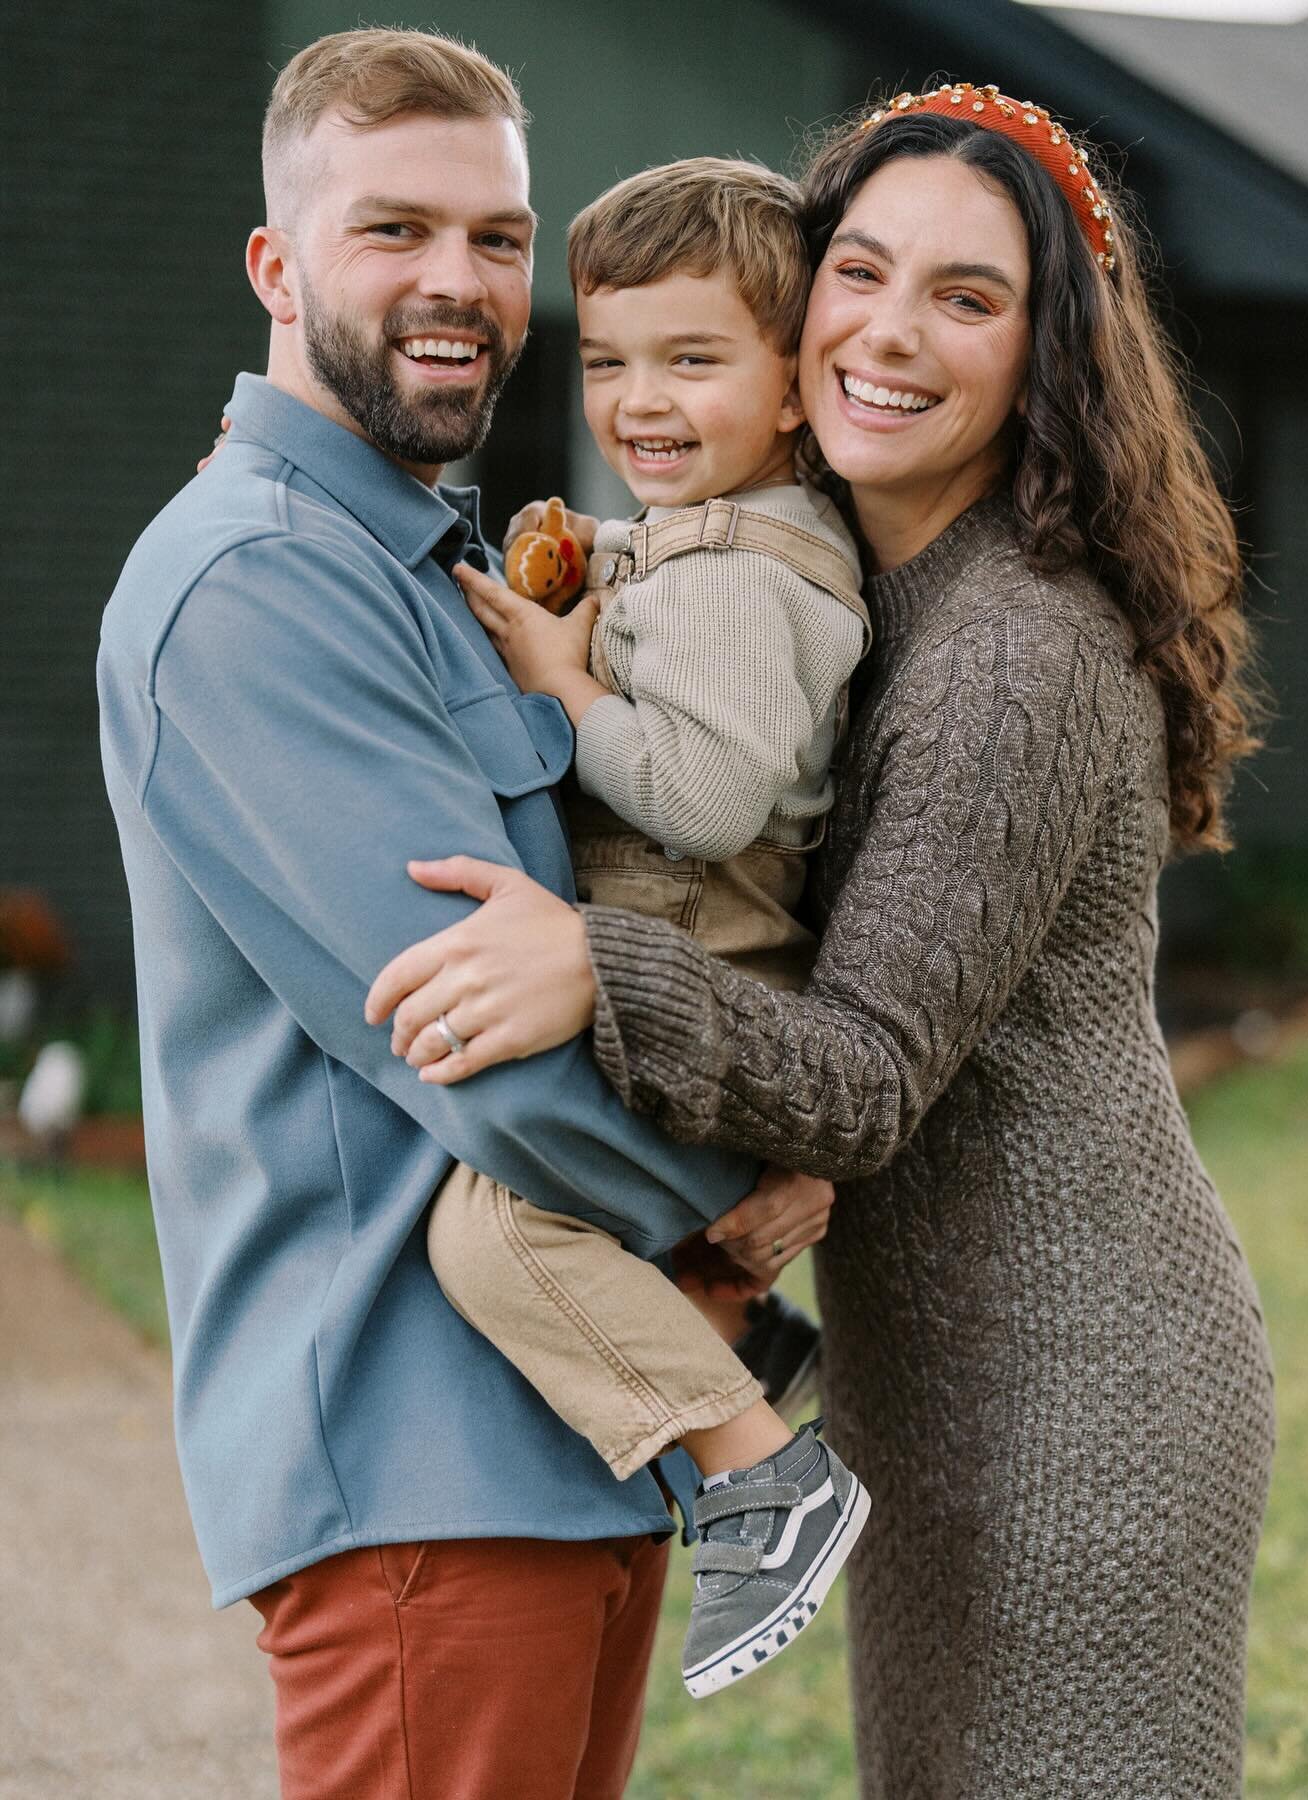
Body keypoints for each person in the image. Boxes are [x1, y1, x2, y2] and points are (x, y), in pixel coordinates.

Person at [369, 81, 1278, 1797]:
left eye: (970, 296)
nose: (892, 333)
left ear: (1049, 353)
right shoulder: (846, 576)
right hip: (929, 1383)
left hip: (1080, 1397)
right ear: (798, 307)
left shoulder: (1018, 650)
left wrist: (594, 965)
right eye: (863, 271)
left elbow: (864, 1072)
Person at [96, 27, 832, 1799]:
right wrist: (739, 1209)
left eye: (498, 239)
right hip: (418, 1460)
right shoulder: (261, 582)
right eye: (394, 230)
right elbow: (475, 1048)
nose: (461, 283)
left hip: (579, 1430)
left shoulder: (444, 570)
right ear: (277, 265)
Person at [411, 156, 872, 1698]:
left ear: (797, 385)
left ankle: (763, 1474)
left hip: (708, 972)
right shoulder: (711, 534)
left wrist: (566, 684)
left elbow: (705, 792)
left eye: (693, 359)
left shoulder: (746, 569)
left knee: (491, 1228)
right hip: (677, 966)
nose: (637, 399)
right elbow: (660, 592)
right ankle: (745, 1348)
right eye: (608, 359)